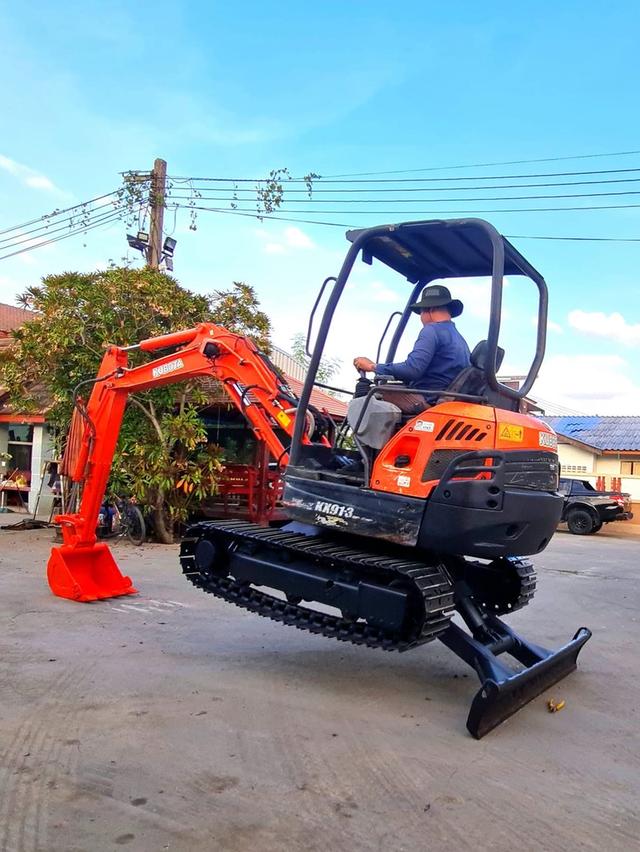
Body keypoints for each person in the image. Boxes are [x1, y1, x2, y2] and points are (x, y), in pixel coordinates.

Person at [353, 284, 471, 401]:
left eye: (420, 313)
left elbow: (412, 370)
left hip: (428, 398)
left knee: (367, 395)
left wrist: (373, 366)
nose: (421, 318)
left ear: (429, 309)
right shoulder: (461, 341)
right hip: (445, 398)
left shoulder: (432, 330)